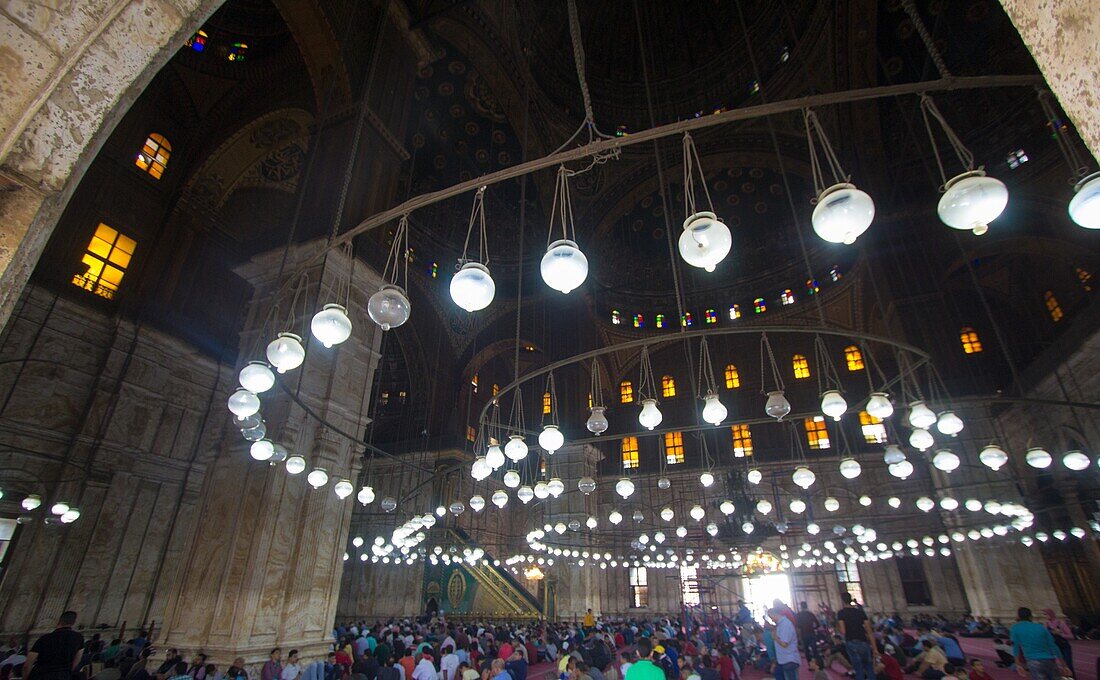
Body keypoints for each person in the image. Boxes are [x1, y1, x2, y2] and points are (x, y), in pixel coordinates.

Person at [1009, 608, 1068, 680]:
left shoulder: (1015, 628)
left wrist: (1018, 665)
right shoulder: (1041, 627)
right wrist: (1064, 665)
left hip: (1033, 662)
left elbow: (1015, 648)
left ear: (1018, 617)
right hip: (1050, 660)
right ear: (1030, 616)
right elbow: (1053, 646)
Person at [24, 611, 84, 680]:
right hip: (63, 675)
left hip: (41, 675)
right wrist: (66, 672)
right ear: (73, 622)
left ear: (59, 621)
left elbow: (27, 664)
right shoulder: (78, 638)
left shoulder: (45, 638)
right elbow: (77, 659)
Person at [836, 598, 876, 680]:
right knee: (869, 668)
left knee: (858, 669)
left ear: (842, 601)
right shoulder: (860, 612)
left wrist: (837, 627)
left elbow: (843, 631)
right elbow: (869, 631)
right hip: (863, 641)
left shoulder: (841, 613)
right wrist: (875, 648)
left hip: (851, 642)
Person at [1041, 609, 1073, 675]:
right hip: (1054, 647)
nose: (1045, 616)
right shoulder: (1046, 624)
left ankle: (1071, 677)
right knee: (1056, 665)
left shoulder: (1060, 623)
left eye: (1046, 614)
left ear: (1050, 614)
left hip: (1064, 646)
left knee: (1068, 663)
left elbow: (1071, 636)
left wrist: (1060, 633)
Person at [770, 607, 800, 680]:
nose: (772, 620)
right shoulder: (781, 624)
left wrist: (775, 638)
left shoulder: (785, 625)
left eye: (771, 617)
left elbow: (784, 644)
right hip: (785, 659)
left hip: (789, 659)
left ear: (774, 615)